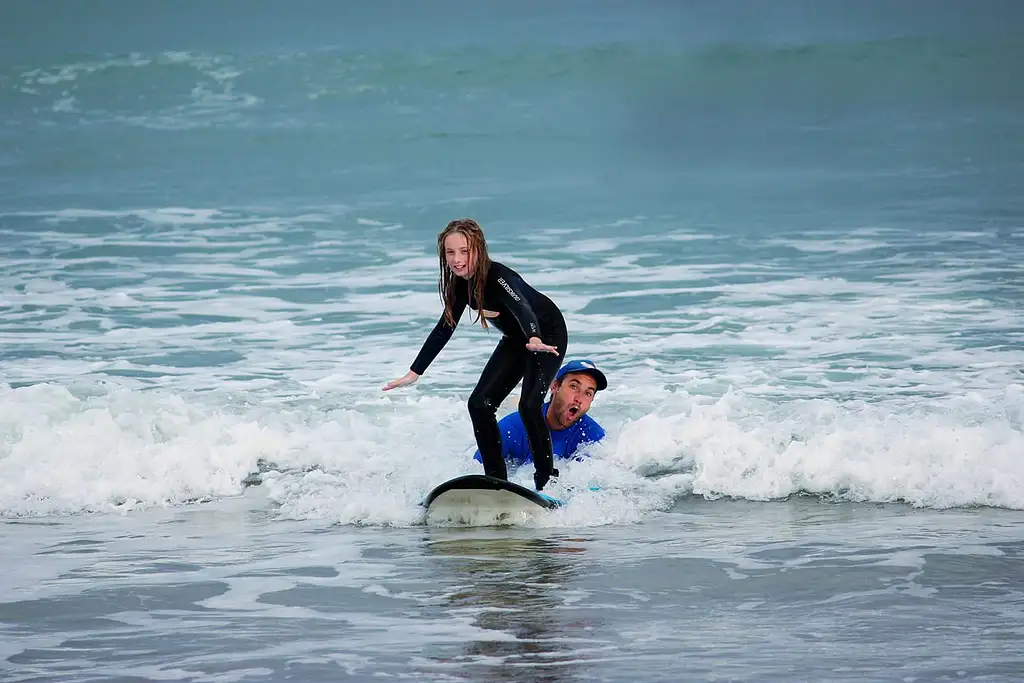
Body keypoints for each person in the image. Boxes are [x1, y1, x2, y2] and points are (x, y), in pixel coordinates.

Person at [383, 218, 567, 491]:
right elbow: (444, 328)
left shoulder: (498, 277)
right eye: (450, 252)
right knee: (479, 404)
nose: (457, 260)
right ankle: (497, 481)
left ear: (478, 249)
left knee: (529, 406)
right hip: (517, 339)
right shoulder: (459, 285)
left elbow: (522, 307)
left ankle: (547, 480)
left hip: (546, 334)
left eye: (464, 251)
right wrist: (415, 372)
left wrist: (534, 336)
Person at [472, 359, 607, 470]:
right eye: (574, 386)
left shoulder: (593, 437)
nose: (579, 398)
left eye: (588, 393)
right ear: (555, 387)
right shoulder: (512, 428)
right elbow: (474, 469)